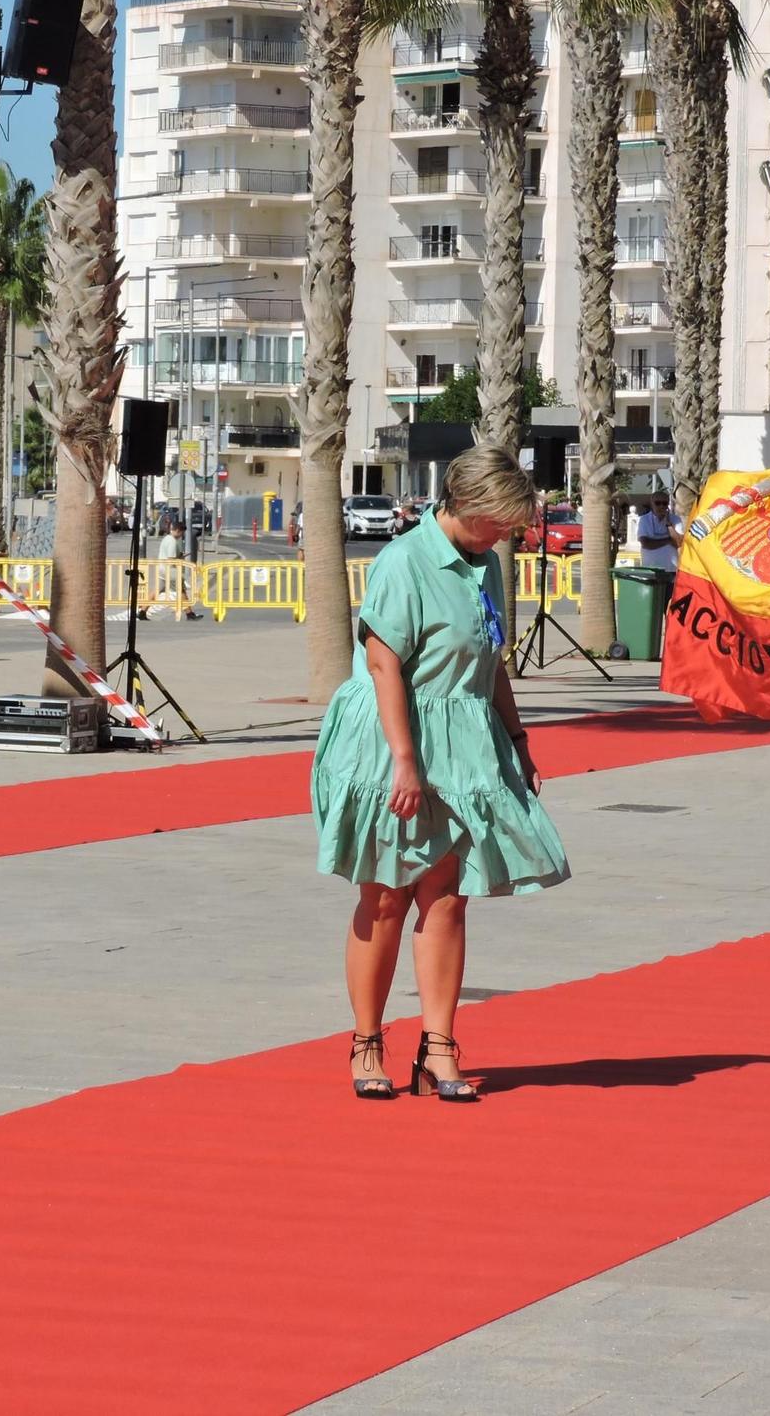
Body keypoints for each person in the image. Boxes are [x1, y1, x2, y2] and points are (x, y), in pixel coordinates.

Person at [311, 445, 569, 1101]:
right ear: (469, 507)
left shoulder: (486, 566)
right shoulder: (405, 561)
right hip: (391, 737)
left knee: (447, 895)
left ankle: (439, 1047)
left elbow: (492, 662)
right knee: (387, 893)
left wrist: (518, 742)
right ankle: (367, 1043)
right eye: (502, 521)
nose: (508, 534)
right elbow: (381, 665)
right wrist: (404, 760)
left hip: (464, 740)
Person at [635, 492, 682, 575]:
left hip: (671, 570)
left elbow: (679, 542)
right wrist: (668, 541)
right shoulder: (644, 519)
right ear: (652, 504)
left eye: (664, 503)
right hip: (651, 570)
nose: (661, 506)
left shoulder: (675, 519)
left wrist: (669, 525)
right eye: (658, 503)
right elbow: (646, 543)